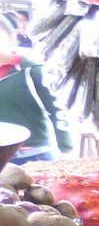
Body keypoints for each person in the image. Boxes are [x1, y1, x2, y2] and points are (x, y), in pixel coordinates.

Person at [0, 14, 69, 165]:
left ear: (11, 38)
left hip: (32, 156)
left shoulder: (32, 70)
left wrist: (66, 149)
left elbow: (57, 108)